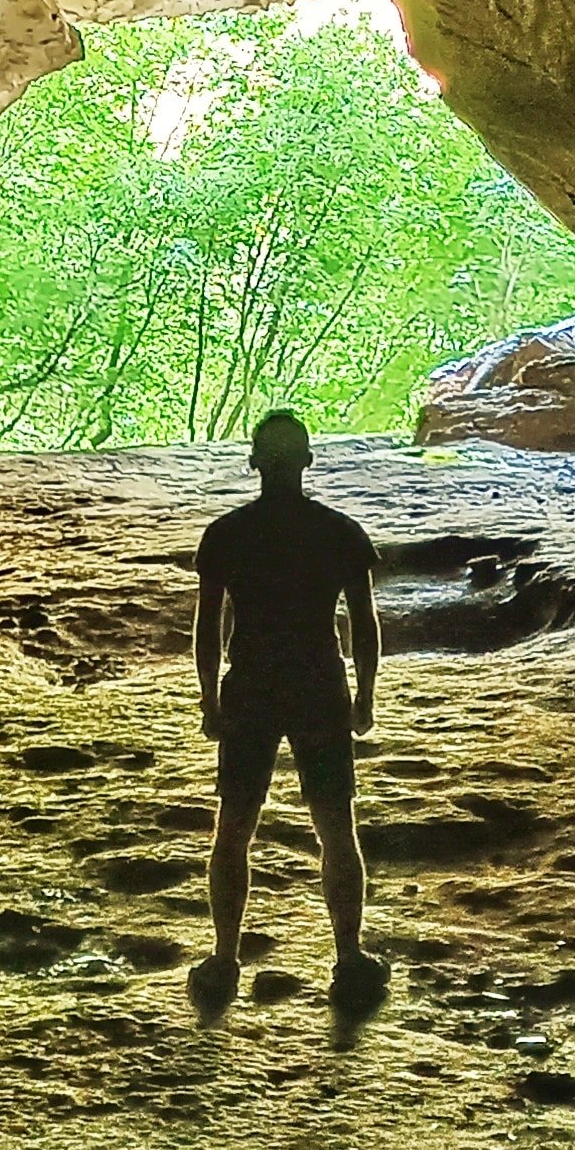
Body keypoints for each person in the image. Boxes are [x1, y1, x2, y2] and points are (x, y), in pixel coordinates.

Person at [192, 410, 382, 1008]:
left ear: (253, 462)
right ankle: (348, 957)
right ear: (307, 460)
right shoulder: (338, 533)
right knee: (335, 827)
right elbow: (364, 625)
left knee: (235, 826)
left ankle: (225, 959)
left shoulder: (227, 535)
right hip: (318, 687)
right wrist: (364, 694)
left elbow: (207, 627)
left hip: (251, 686)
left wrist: (209, 697)